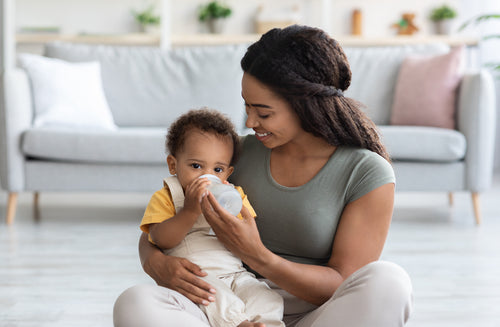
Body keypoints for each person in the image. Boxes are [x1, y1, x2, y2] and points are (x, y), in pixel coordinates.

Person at [114, 25, 413, 327]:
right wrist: (156, 263)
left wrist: (257, 255)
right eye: (247, 106)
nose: (250, 121)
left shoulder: (365, 172)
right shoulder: (234, 156)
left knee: (388, 282)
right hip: (225, 307)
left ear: (307, 105)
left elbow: (344, 281)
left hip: (318, 314)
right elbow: (158, 226)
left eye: (264, 112)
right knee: (136, 303)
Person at [136, 108, 284, 327]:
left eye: (218, 169)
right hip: (195, 274)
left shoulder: (234, 194)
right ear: (173, 165)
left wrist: (230, 213)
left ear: (228, 172)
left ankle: (265, 324)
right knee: (213, 295)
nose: (208, 177)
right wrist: (189, 211)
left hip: (236, 274)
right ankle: (238, 324)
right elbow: (160, 239)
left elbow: (248, 236)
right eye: (196, 166)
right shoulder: (168, 196)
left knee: (265, 295)